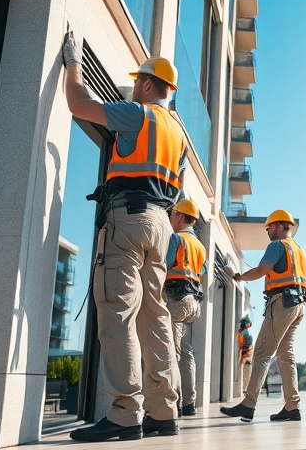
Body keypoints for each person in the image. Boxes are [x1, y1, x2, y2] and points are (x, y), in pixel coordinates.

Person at [61, 33, 188, 441]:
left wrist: (74, 65)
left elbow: (78, 104)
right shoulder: (179, 133)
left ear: (148, 84)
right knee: (155, 317)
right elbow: (177, 189)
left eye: (137, 83)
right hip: (161, 225)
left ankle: (124, 413)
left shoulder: (138, 114)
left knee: (117, 311)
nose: (134, 89)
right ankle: (163, 411)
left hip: (128, 220)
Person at [220, 209, 306, 423]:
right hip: (298, 305)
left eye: (269, 228)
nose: (268, 232)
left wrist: (239, 277)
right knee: (286, 355)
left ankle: (248, 404)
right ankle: (292, 406)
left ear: (279, 225)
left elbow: (261, 270)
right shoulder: (300, 251)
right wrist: (301, 303)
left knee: (262, 352)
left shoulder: (277, 246)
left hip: (281, 303)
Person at [164, 198, 206, 418]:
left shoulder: (176, 238)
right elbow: (202, 271)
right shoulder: (200, 246)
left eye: (172, 216)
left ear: (179, 217)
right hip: (193, 303)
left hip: (177, 299)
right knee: (185, 351)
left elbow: (163, 266)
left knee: (171, 351)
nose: (171, 220)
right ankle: (189, 402)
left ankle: (174, 404)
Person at [237, 315, 254, 395]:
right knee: (246, 373)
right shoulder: (244, 333)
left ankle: (245, 388)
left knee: (245, 372)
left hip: (246, 354)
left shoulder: (242, 332)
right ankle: (245, 388)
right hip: (246, 354)